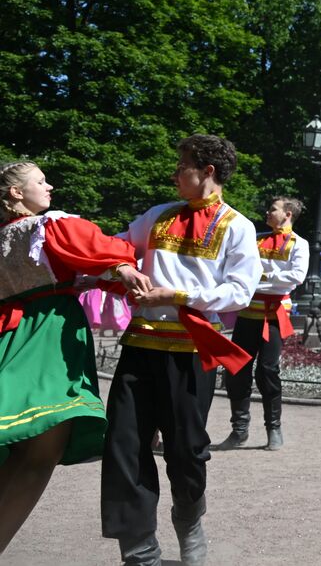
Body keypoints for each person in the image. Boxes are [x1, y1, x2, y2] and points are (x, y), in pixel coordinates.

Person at [100, 135, 260, 566]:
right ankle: (139, 548)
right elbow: (115, 246)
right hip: (140, 344)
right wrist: (121, 266)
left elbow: (240, 292)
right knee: (124, 443)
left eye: (183, 165)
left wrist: (179, 295)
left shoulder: (238, 227)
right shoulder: (157, 216)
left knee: (186, 448)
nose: (175, 173)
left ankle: (188, 518)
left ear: (208, 171)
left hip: (192, 350)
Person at [0, 161, 148, 554]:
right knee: (40, 450)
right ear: (16, 193)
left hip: (9, 336)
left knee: (20, 445)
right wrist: (121, 265)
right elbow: (99, 249)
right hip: (47, 335)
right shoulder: (50, 226)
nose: (50, 186)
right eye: (40, 181)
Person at [215, 195, 309, 452]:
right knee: (236, 371)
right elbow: (236, 271)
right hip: (247, 314)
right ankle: (239, 430)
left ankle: (274, 429)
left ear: (288, 214)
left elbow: (294, 278)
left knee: (268, 372)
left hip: (274, 317)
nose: (268, 212)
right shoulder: (255, 239)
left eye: (274, 209)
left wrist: (258, 277)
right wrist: (262, 280)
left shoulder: (299, 244)